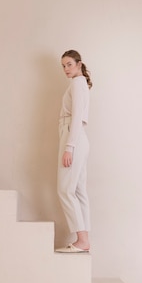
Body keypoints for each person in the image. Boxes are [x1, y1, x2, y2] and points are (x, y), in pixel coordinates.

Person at [55, 50, 92, 253]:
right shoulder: (81, 83)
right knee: (78, 191)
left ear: (78, 64)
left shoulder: (78, 83)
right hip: (78, 137)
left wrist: (69, 147)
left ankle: (82, 240)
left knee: (65, 189)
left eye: (69, 64)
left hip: (73, 136)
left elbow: (76, 116)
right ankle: (84, 240)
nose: (66, 69)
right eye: (63, 66)